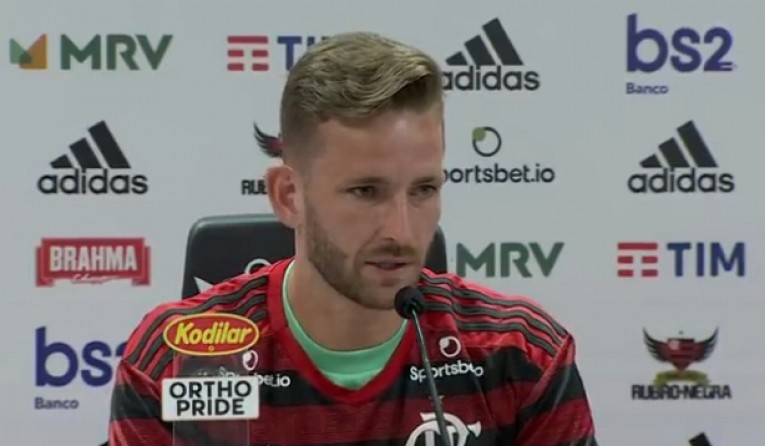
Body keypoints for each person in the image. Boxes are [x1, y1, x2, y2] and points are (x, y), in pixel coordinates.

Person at [108, 31, 597, 445]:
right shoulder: (175, 361)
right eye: (366, 192)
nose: (402, 231)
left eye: (424, 190)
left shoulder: (520, 356)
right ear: (289, 196)